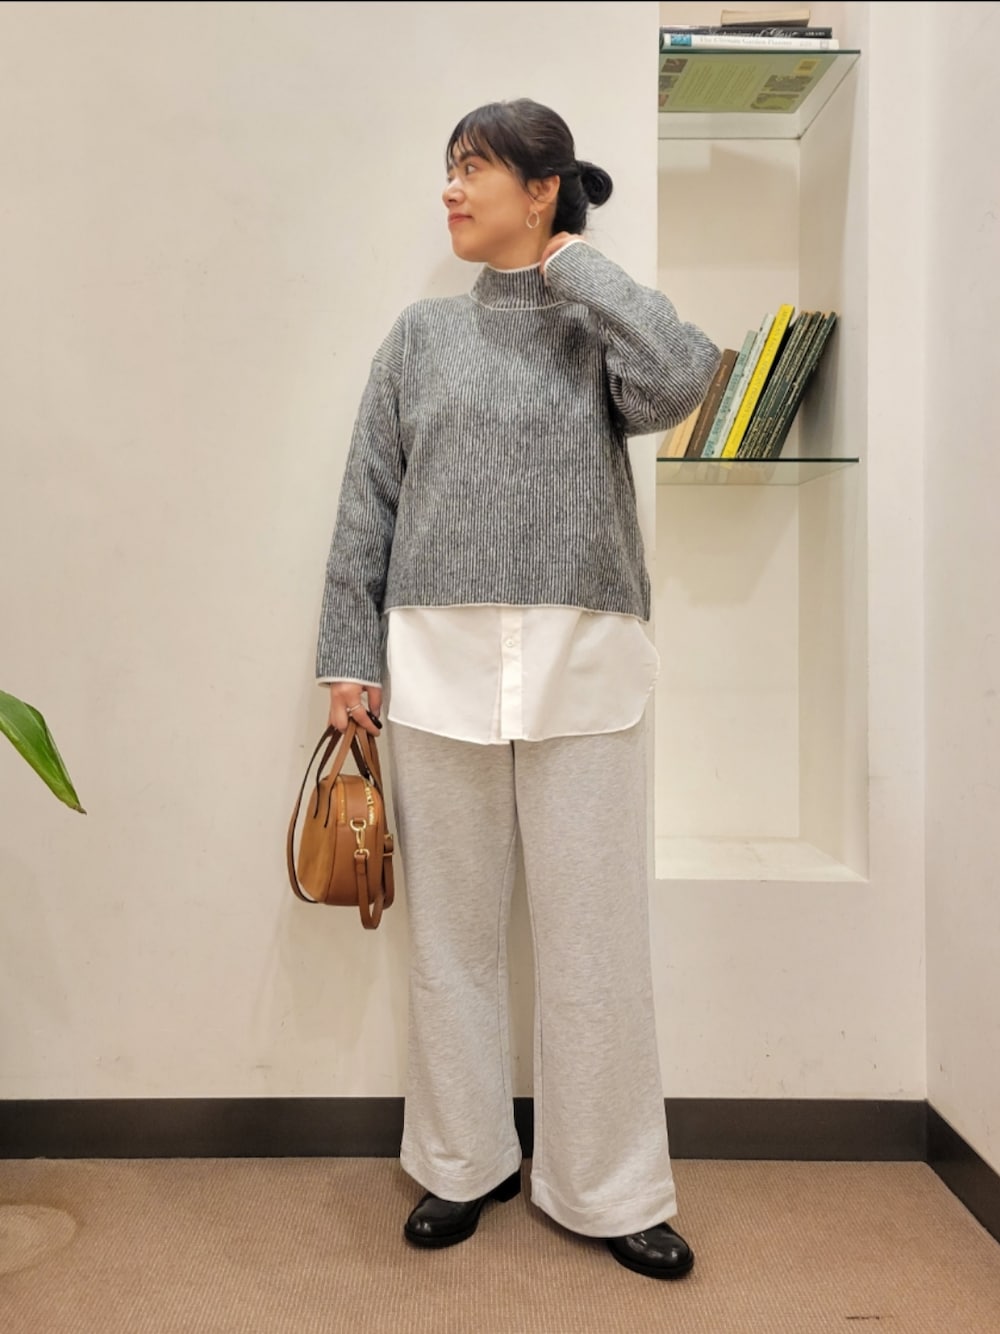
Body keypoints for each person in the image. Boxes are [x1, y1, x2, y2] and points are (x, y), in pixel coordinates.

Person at [314, 98, 720, 1280]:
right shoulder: (418, 336)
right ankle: (461, 1161)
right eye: (447, 168)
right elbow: (367, 496)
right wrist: (348, 655)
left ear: (541, 188)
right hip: (433, 667)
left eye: (474, 169)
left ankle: (611, 1185)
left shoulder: (594, 325)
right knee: (451, 938)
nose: (449, 189)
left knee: (596, 941)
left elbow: (685, 373)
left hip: (582, 663)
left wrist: (573, 261)